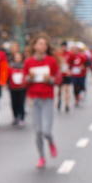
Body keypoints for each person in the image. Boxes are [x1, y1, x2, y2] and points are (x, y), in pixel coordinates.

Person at [24, 35, 59, 169]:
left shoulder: (51, 61)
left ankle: (51, 142)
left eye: (44, 44)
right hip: (34, 99)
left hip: (47, 98)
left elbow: (57, 79)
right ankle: (41, 157)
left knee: (46, 131)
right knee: (38, 131)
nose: (42, 46)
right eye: (39, 43)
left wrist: (49, 79)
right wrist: (30, 78)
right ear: (34, 46)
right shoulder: (29, 62)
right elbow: (24, 81)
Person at [8, 51, 27, 126]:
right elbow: (8, 76)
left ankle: (22, 117)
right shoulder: (10, 66)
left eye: (19, 57)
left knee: (21, 103)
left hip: (22, 88)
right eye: (16, 57)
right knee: (14, 103)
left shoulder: (24, 66)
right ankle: (15, 116)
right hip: (13, 88)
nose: (18, 59)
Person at [56, 41, 72, 112]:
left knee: (67, 90)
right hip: (60, 75)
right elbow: (55, 63)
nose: (64, 48)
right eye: (62, 46)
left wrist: (70, 71)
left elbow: (72, 63)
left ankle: (67, 105)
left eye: (65, 46)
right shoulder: (58, 54)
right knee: (59, 90)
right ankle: (59, 100)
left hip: (67, 75)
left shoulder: (69, 54)